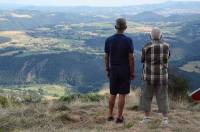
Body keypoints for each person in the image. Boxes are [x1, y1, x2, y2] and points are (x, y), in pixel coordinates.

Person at [104, 18, 135, 123]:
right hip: (124, 70)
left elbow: (106, 57)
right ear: (125, 28)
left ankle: (109, 115)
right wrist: (132, 72)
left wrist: (107, 69)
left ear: (115, 27)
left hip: (113, 70)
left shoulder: (108, 40)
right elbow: (131, 58)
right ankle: (119, 117)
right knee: (122, 94)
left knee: (112, 94)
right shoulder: (128, 40)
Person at [140, 27, 170, 127]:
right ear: (161, 36)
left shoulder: (146, 47)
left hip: (148, 76)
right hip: (162, 77)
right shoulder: (166, 46)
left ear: (150, 36)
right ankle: (165, 119)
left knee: (146, 97)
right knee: (163, 97)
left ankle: (146, 118)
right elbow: (167, 58)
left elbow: (142, 59)